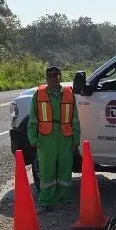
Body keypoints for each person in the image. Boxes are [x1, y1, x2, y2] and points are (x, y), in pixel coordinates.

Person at [27, 65, 81, 211]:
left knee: (65, 169)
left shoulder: (69, 94)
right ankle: (46, 201)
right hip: (46, 139)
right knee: (46, 170)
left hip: (65, 137)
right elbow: (33, 119)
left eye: (56, 75)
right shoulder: (38, 95)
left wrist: (76, 137)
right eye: (50, 75)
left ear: (60, 77)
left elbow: (75, 118)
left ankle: (63, 199)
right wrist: (33, 138)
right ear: (46, 78)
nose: (53, 78)